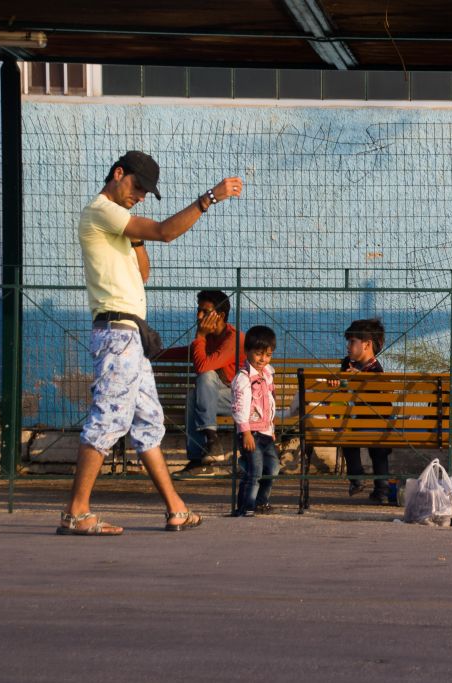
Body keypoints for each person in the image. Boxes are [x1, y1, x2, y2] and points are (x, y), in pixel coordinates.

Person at [58, 150, 242, 535]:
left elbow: (143, 273)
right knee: (108, 417)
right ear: (117, 174)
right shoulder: (101, 210)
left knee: (148, 423)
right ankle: (76, 512)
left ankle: (176, 508)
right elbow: (165, 232)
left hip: (132, 336)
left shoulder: (120, 224)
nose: (139, 196)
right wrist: (209, 197)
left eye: (145, 192)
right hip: (117, 334)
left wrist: (136, 234)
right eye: (137, 187)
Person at [162, 290, 245, 476]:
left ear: (221, 315)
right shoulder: (211, 338)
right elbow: (190, 352)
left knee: (207, 374)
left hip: (241, 400)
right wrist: (155, 353)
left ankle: (211, 439)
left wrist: (199, 335)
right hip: (217, 398)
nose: (199, 316)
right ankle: (198, 461)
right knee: (193, 395)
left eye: (205, 312)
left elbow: (203, 366)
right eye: (198, 311)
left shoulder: (234, 339)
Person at [334, 318, 392, 505]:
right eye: (348, 342)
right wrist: (338, 381)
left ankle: (381, 489)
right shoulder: (346, 364)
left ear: (366, 344)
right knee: (347, 435)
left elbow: (379, 398)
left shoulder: (376, 369)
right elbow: (342, 390)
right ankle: (357, 478)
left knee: (378, 450)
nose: (348, 346)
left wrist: (361, 379)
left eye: (352, 342)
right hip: (354, 423)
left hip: (375, 423)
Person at [230, 325, 281, 516]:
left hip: (266, 432)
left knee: (273, 468)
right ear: (247, 351)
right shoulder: (243, 379)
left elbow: (270, 403)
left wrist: (271, 426)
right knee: (255, 471)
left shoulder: (268, 374)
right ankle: (247, 506)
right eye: (259, 354)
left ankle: (261, 501)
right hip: (251, 433)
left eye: (267, 355)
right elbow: (239, 407)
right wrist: (245, 433)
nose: (263, 359)